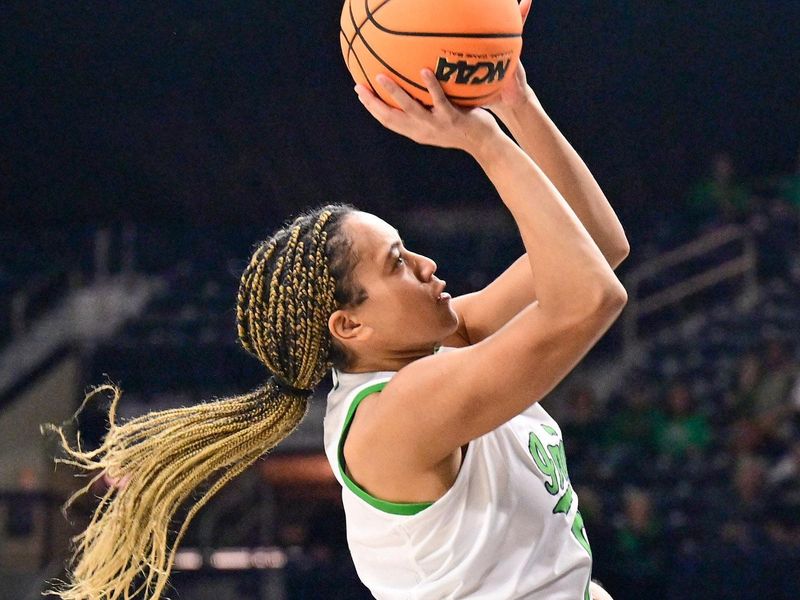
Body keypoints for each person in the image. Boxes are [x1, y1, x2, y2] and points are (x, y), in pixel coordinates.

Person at [45, 2, 628, 598]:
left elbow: (599, 244)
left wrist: (514, 103)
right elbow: (590, 298)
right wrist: (481, 142)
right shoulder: (395, 417)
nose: (427, 266)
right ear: (350, 324)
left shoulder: (437, 350)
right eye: (398, 263)